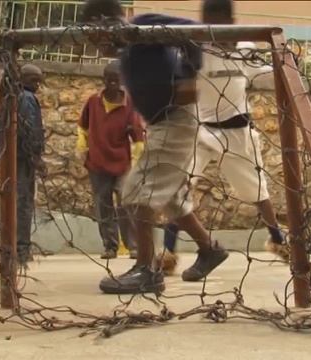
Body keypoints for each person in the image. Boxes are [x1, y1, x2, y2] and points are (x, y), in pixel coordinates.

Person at [82, 0, 230, 294]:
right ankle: (210, 249)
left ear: (106, 23)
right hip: (162, 124)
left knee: (136, 192)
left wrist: (188, 75)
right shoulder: (127, 49)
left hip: (175, 119)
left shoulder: (142, 25)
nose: (96, 45)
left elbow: (193, 32)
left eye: (95, 36)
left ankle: (146, 271)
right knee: (171, 198)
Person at [156, 0, 290, 276]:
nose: (211, 24)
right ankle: (168, 254)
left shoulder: (244, 48)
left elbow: (261, 70)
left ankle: (278, 240)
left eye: (217, 18)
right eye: (207, 19)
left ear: (229, 20)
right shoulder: (195, 49)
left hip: (237, 131)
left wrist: (284, 63)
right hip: (202, 129)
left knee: (257, 191)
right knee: (178, 186)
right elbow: (180, 87)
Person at [76, 61, 144, 260]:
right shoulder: (93, 102)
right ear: (103, 80)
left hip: (122, 163)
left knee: (126, 202)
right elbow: (83, 127)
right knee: (103, 205)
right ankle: (110, 246)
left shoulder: (129, 104)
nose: (113, 83)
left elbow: (138, 136)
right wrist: (82, 146)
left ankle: (133, 246)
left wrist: (139, 159)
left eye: (117, 80)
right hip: (97, 162)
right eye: (109, 80)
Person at [0, 64, 48, 266]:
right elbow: (29, 128)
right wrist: (36, 157)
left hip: (10, 157)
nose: (37, 86)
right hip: (23, 159)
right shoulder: (27, 98)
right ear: (23, 79)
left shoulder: (10, 97)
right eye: (34, 80)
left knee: (11, 202)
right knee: (23, 204)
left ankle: (10, 247)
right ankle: (21, 249)